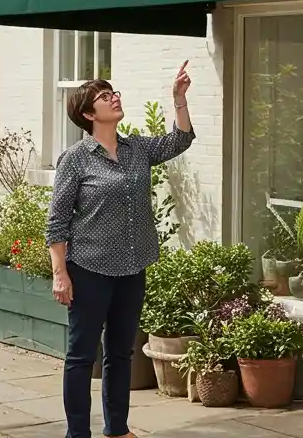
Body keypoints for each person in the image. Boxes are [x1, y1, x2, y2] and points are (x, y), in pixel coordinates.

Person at [47, 62, 195, 438]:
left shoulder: (137, 149)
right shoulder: (75, 159)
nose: (114, 98)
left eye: (113, 92)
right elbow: (57, 221)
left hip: (133, 267)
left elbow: (180, 140)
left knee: (121, 353)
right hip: (90, 269)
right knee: (81, 356)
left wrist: (178, 100)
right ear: (87, 114)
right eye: (103, 96)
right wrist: (60, 273)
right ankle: (77, 433)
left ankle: (118, 430)